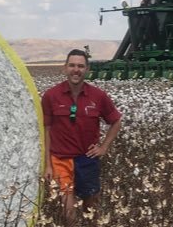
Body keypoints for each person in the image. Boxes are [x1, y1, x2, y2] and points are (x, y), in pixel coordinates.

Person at [41, 49, 121, 226]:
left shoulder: (98, 96)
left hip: (87, 159)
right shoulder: (50, 96)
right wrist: (48, 164)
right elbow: (46, 130)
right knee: (68, 214)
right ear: (65, 68)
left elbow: (116, 121)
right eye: (72, 65)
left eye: (80, 66)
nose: (76, 70)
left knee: (90, 209)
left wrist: (104, 147)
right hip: (60, 160)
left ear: (87, 69)